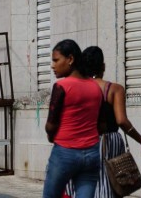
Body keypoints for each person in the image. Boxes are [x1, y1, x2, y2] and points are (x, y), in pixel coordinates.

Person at [65, 46, 141, 198]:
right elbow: (122, 121)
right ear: (103, 66)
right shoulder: (114, 90)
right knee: (107, 184)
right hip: (108, 143)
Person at [43, 39, 103, 198]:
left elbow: (50, 124)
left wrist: (51, 136)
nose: (52, 65)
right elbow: (98, 121)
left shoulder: (62, 86)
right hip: (92, 153)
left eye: (56, 60)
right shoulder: (95, 86)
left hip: (65, 152)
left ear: (70, 59)